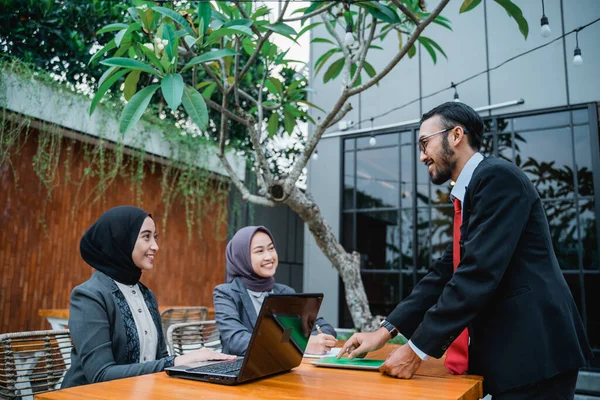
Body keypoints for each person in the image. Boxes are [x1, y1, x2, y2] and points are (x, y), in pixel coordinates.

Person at [339, 102, 592, 399]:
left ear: (456, 135)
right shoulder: (471, 192)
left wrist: (415, 351)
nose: (422, 156)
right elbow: (445, 272)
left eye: (425, 143)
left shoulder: (497, 178)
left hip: (538, 351)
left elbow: (477, 272)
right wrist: (383, 332)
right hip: (519, 356)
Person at [62, 206, 235, 389]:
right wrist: (176, 361)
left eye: (155, 237)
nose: (155, 246)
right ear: (121, 240)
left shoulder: (146, 295)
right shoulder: (89, 296)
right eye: (146, 236)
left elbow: (159, 359)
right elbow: (101, 375)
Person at [214, 226, 337, 356]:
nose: (269, 256)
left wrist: (318, 340)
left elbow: (324, 327)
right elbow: (237, 341)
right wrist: (301, 343)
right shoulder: (226, 294)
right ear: (242, 257)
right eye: (259, 251)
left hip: (284, 369)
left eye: (271, 248)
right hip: (242, 372)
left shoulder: (285, 292)